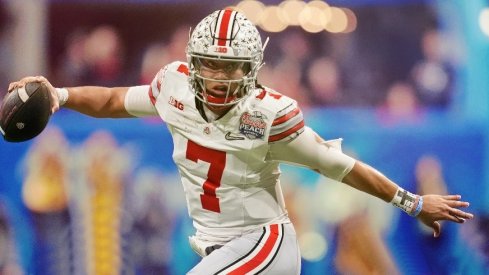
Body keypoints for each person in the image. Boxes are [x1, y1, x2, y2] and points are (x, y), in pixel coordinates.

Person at [8, 9, 474, 274]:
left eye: (231, 67)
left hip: (264, 244)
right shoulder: (173, 86)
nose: (218, 75)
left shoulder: (269, 116)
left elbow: (341, 166)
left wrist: (412, 203)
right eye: (210, 63)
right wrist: (60, 94)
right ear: (193, 61)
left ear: (251, 69)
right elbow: (112, 100)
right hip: (220, 247)